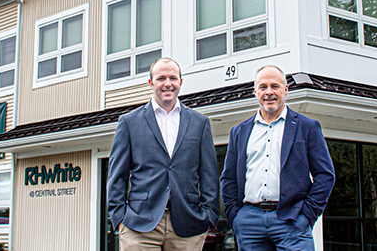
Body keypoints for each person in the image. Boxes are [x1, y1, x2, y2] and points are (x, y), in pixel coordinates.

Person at [107, 57, 220, 250]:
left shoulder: (200, 123)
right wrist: (119, 218)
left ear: (180, 82)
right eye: (161, 78)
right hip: (139, 226)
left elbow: (209, 175)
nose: (168, 83)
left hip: (188, 226)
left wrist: (209, 216)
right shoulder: (129, 122)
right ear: (151, 83)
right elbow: (117, 175)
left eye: (173, 78)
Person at [220, 65, 335, 251]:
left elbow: (325, 175)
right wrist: (235, 215)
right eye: (263, 87)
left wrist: (307, 215)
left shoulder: (307, 127)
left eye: (275, 86)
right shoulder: (239, 132)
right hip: (249, 223)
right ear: (255, 91)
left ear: (285, 89)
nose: (269, 92)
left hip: (292, 220)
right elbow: (229, 178)